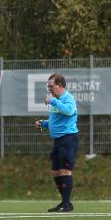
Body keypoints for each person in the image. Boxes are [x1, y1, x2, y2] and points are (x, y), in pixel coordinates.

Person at [35, 73, 79, 212]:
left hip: (68, 139)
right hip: (58, 140)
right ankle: (64, 202)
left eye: (51, 86)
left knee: (65, 171)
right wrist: (44, 124)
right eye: (48, 87)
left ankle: (66, 204)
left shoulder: (67, 98)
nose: (49, 89)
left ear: (59, 86)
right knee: (55, 171)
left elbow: (69, 111)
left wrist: (53, 101)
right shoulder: (57, 100)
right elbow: (56, 120)